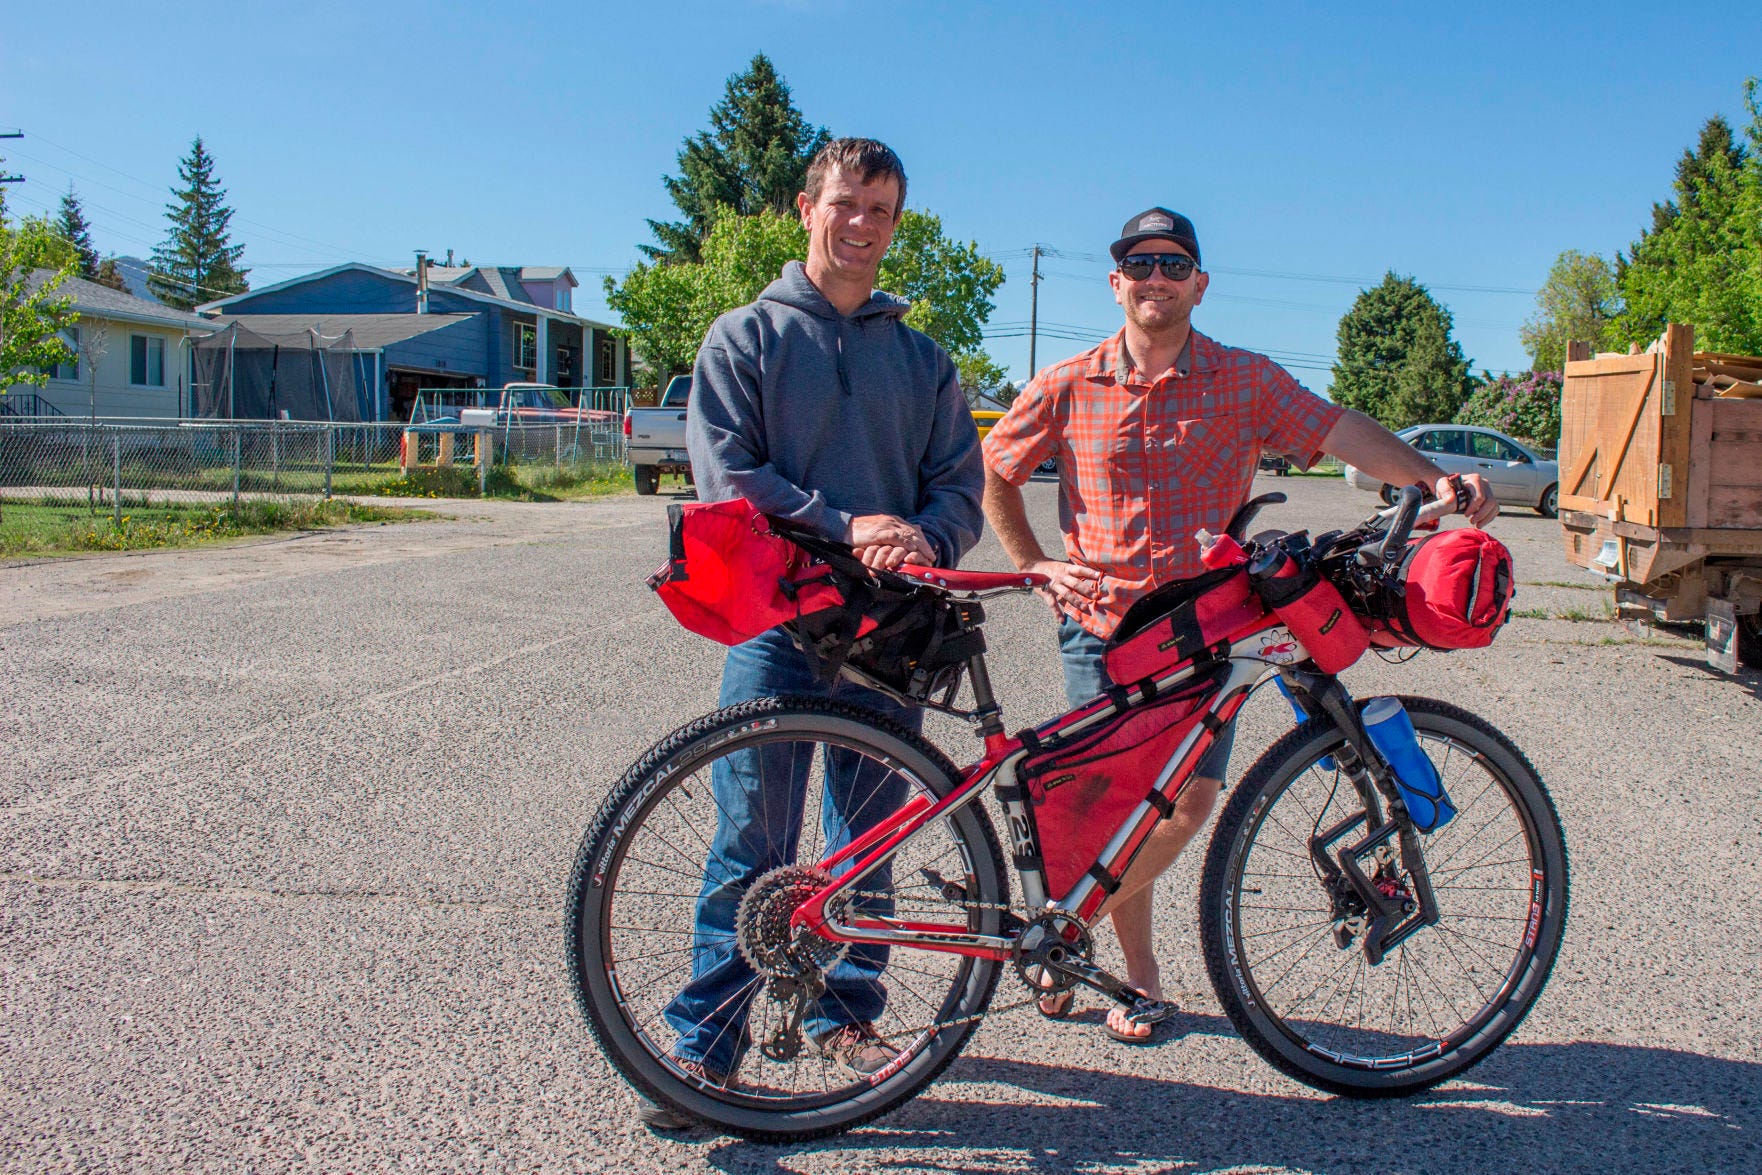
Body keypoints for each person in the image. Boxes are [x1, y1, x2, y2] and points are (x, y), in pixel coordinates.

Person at [981, 207, 1497, 1043]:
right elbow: (997, 471)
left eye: (1174, 264)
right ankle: (1133, 975)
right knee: (1118, 809)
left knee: (1187, 802)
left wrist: (1434, 479)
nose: (1157, 278)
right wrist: (1035, 561)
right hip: (1104, 628)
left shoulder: (1245, 380)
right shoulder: (1067, 384)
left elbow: (1341, 431)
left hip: (1203, 629)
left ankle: (1061, 929)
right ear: (1117, 282)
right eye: (1140, 264)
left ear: (1199, 284)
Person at [642, 138, 984, 1129]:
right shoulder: (745, 337)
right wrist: (844, 524)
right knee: (750, 836)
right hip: (778, 621)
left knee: (865, 838)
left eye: (880, 208)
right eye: (846, 203)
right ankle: (705, 1045)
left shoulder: (920, 359)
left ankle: (848, 1014)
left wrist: (927, 531)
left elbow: (958, 482)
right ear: (807, 207)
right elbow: (725, 476)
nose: (861, 223)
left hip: (886, 627)